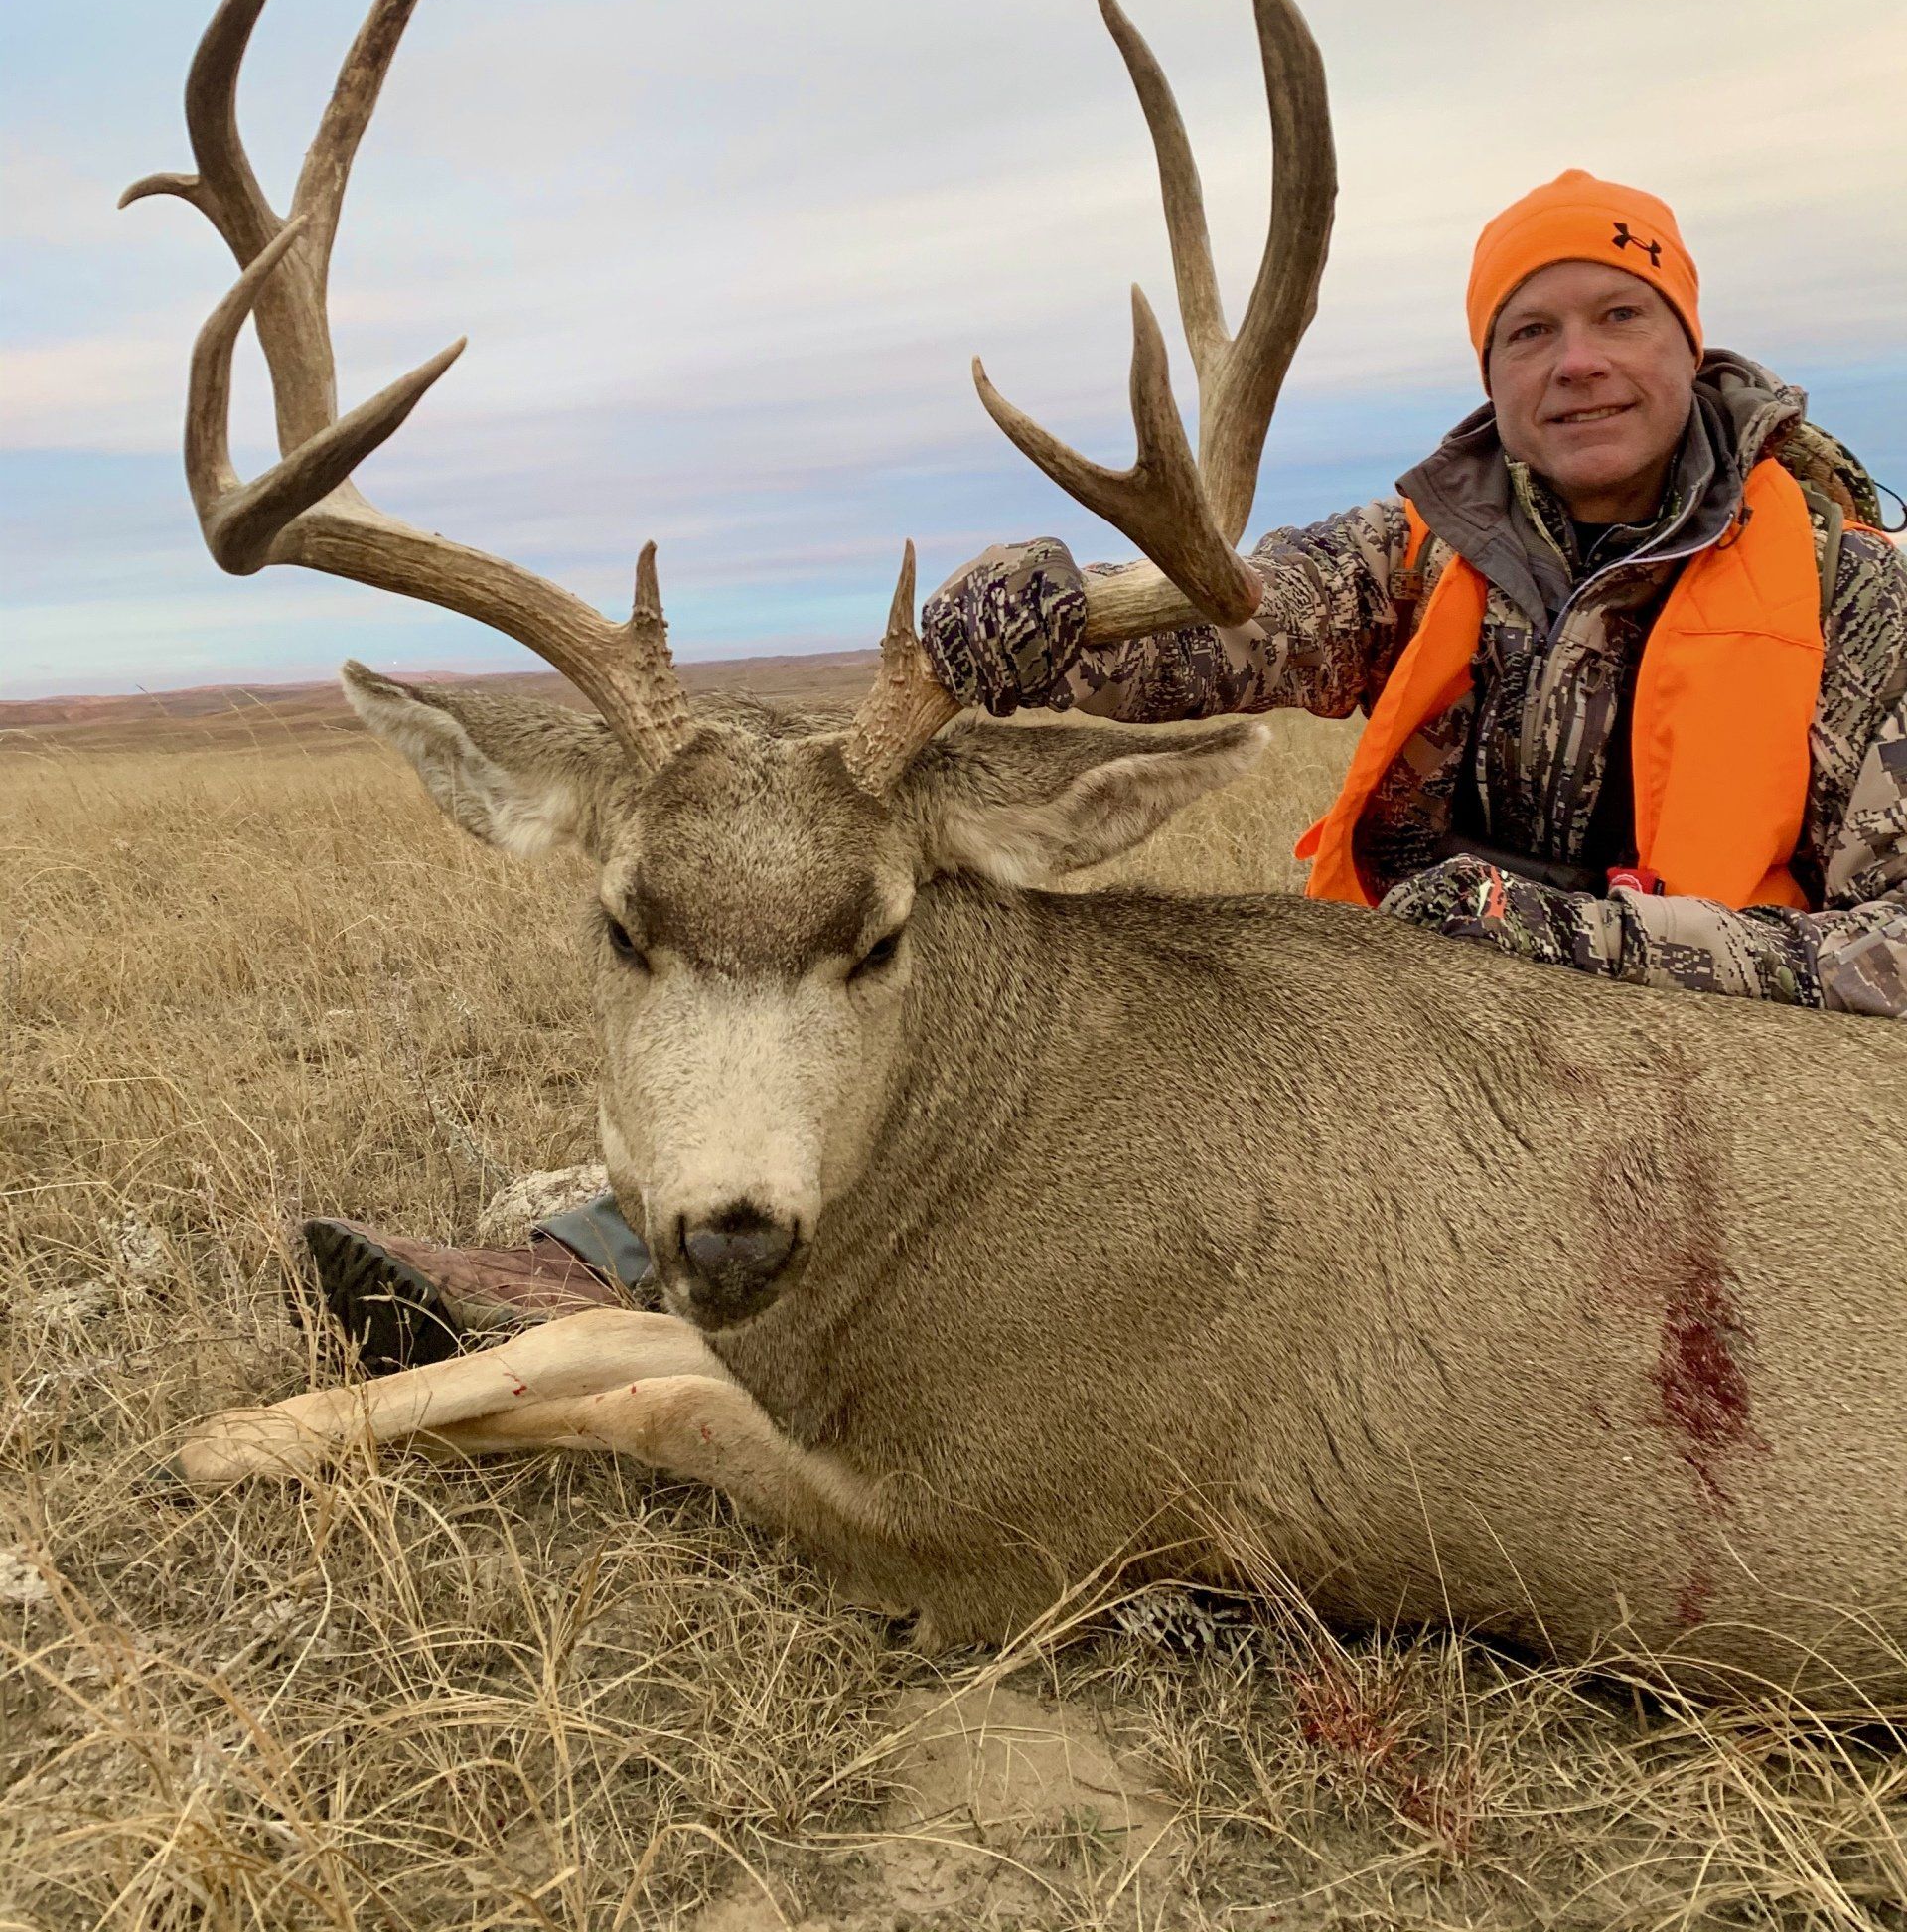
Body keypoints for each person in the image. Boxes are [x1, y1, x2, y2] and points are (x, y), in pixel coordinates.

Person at [302, 169, 1907, 1366]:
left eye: (1623, 317)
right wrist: (1046, 625)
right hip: (1421, 1026)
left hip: (1731, 1089)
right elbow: (1230, 630)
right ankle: (591, 1255)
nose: (1579, 363)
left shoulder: (1859, 601)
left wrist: (1573, 940)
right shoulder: (1426, 554)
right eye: (1532, 329)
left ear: (1692, 346)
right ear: (1490, 371)